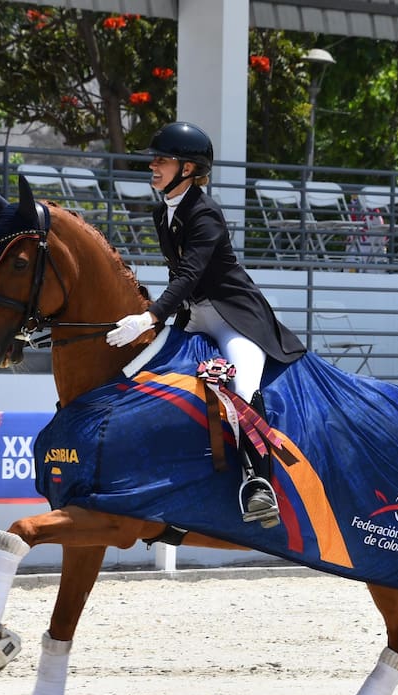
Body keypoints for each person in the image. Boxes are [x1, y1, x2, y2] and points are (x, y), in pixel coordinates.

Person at [106, 122, 306, 527]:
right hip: (195, 316)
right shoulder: (163, 211)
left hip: (234, 317)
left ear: (188, 168)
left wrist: (150, 316)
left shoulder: (205, 212)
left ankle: (258, 486)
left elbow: (189, 275)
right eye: (155, 160)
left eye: (162, 160)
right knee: (154, 379)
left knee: (243, 388)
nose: (153, 167)